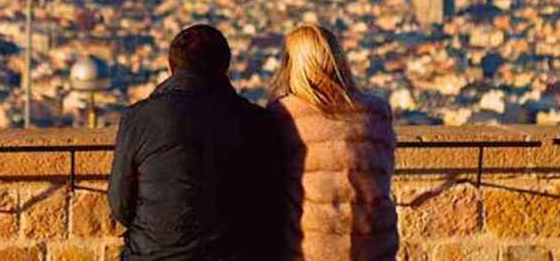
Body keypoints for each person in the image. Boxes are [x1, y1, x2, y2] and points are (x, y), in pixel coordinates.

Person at [108, 24, 279, 261]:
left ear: (171, 67)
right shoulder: (255, 120)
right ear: (225, 68)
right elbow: (266, 201)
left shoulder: (138, 118)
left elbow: (120, 205)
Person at [267, 25, 398, 261]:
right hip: (373, 244)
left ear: (293, 64)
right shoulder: (376, 112)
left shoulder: (285, 114)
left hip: (311, 248)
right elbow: (384, 171)